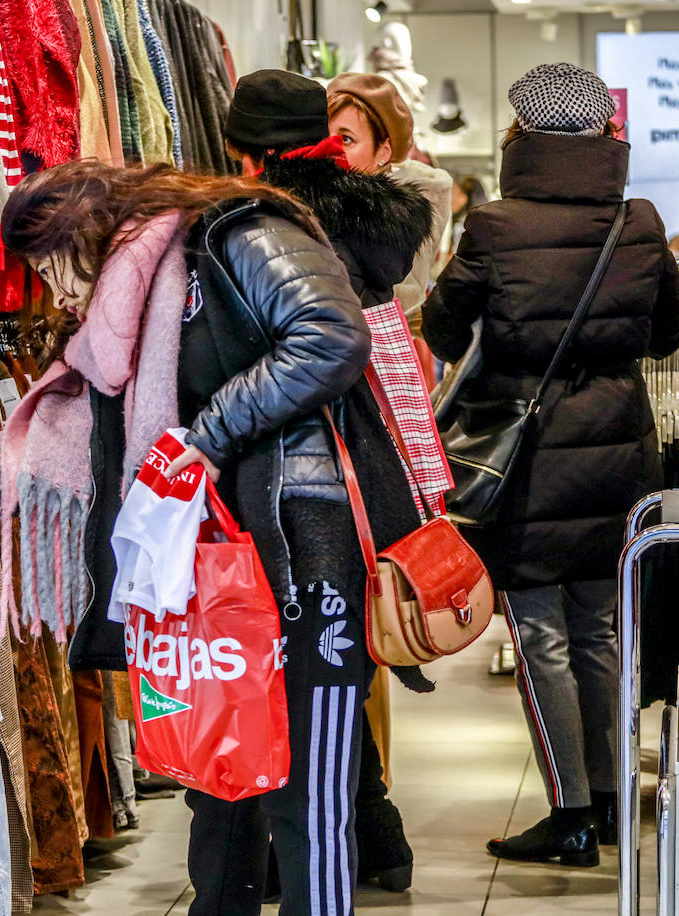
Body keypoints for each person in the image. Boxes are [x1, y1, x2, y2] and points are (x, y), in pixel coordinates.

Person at [0, 160, 419, 916]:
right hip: (204, 581)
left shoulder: (239, 235)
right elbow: (67, 460)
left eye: (51, 267)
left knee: (309, 805)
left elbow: (330, 335)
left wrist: (207, 437)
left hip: (303, 559)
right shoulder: (122, 317)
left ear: (84, 233)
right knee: (218, 790)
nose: (54, 291)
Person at [422, 61, 679, 867]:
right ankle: (613, 801)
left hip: (527, 458)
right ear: (607, 135)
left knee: (541, 637)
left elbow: (443, 328)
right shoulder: (637, 221)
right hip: (617, 449)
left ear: (520, 137)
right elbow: (669, 333)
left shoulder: (496, 227)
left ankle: (570, 814)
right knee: (604, 630)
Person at [222, 67, 432, 898]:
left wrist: (207, 430)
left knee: (284, 689)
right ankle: (375, 842)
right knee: (337, 688)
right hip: (365, 473)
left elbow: (304, 354)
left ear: (244, 152)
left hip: (286, 483)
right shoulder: (366, 226)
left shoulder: (257, 228)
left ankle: (309, 856)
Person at [327, 71, 453, 335]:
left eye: (347, 138)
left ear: (383, 152)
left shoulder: (394, 227)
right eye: (323, 136)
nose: (330, 148)